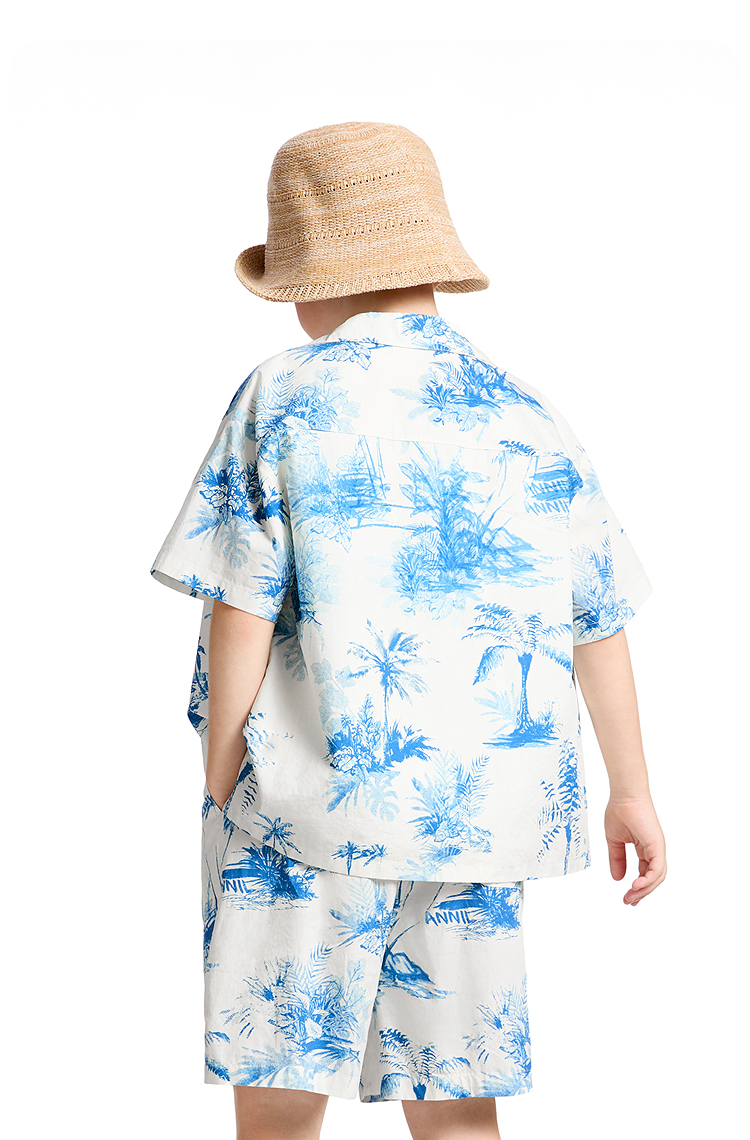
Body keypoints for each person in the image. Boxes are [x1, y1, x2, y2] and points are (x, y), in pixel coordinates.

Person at [149, 121, 666, 1140]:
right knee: (456, 1105)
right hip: (476, 825)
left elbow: (241, 602)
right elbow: (596, 618)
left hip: (303, 808)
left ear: (314, 279)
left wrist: (220, 768)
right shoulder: (525, 413)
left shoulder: (285, 394)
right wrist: (632, 791)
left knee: (281, 1099)